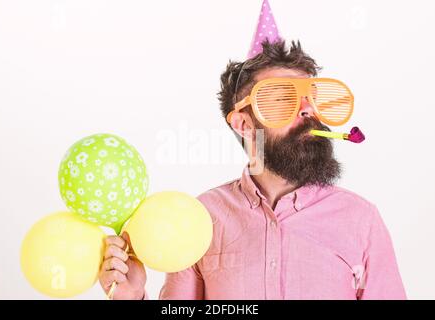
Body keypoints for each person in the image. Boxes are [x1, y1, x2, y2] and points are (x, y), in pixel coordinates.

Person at [98, 1, 406, 300]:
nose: (307, 110)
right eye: (282, 99)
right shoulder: (200, 219)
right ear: (244, 125)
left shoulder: (361, 220)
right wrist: (130, 297)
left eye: (311, 98)